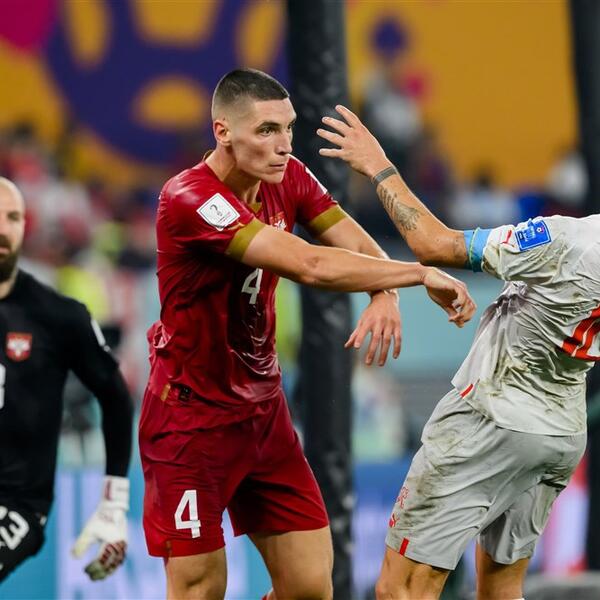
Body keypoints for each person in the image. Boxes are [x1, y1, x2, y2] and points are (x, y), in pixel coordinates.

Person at [138, 68, 476, 600]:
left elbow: (358, 246)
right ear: (223, 132)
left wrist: (384, 292)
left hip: (263, 413)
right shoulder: (190, 197)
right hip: (190, 419)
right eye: (266, 130)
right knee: (200, 588)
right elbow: (309, 264)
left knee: (309, 589)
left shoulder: (289, 175)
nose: (284, 145)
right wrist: (416, 274)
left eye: (288, 128)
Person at [317, 105, 600, 600]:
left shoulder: (572, 241)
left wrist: (377, 165)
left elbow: (434, 244)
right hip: (559, 431)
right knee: (502, 589)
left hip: (492, 418)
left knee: (403, 588)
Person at [0, 177, 133, 582]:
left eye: (13, 218)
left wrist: (114, 504)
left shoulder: (57, 316)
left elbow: (115, 397)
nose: (3, 229)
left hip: (16, 503)